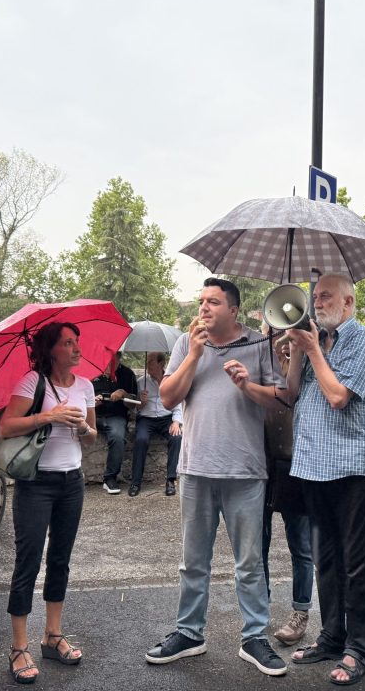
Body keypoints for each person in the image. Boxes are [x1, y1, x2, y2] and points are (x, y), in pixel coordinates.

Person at [146, 277, 287, 676]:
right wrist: (193, 354)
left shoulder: (260, 344)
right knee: (193, 561)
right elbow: (169, 397)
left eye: (213, 302)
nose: (204, 307)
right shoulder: (186, 342)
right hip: (195, 468)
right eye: (201, 300)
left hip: (245, 470)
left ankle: (255, 637)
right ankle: (189, 633)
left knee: (249, 561)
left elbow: (281, 400)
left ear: (234, 310)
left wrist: (248, 384)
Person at [283, 274, 365, 686]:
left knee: (355, 562)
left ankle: (359, 648)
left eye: (325, 296)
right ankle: (331, 636)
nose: (317, 302)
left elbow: (339, 397)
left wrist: (314, 352)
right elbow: (291, 394)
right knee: (325, 556)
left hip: (351, 466)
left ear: (348, 302)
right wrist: (295, 353)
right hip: (313, 465)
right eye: (315, 296)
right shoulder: (315, 342)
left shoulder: (363, 342)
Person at [0, 322, 97, 684]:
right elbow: (7, 427)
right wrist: (49, 416)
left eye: (77, 342)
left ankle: (52, 635)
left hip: (72, 482)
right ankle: (19, 646)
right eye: (68, 343)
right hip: (36, 484)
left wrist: (83, 428)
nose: (76, 348)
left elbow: (92, 439)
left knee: (60, 559)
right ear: (51, 350)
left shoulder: (84, 386)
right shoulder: (32, 383)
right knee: (28, 561)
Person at [261, 333, 314, 647]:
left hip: (297, 464)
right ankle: (259, 607)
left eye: (288, 335)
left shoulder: (310, 367)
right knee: (259, 544)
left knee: (301, 547)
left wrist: (295, 359)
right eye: (276, 333)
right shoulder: (261, 365)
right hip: (264, 463)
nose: (282, 342)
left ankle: (301, 613)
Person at [130, 352, 182, 497]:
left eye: (151, 362)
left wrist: (176, 422)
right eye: (147, 362)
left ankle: (171, 480)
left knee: (176, 437)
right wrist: (141, 403)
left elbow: (178, 404)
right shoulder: (141, 382)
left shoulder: (171, 381)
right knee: (140, 439)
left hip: (167, 418)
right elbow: (134, 409)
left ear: (161, 363)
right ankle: (135, 482)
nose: (148, 365)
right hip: (147, 419)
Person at [92, 351, 139, 495]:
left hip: (115, 416)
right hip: (92, 414)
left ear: (119, 358)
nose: (108, 366)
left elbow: (133, 405)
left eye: (112, 362)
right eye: (106, 362)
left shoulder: (127, 374)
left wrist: (124, 394)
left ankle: (110, 478)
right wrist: (92, 402)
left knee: (118, 437)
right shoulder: (92, 372)